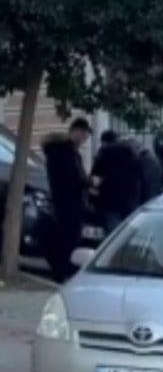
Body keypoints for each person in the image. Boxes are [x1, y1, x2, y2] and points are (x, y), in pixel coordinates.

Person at [42, 118, 92, 282]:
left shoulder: (57, 152)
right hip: (70, 204)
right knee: (68, 240)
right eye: (83, 136)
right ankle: (61, 271)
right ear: (76, 131)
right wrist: (90, 182)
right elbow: (72, 179)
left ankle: (59, 270)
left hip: (62, 203)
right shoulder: (67, 153)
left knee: (63, 238)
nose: (83, 141)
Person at [90, 131, 143, 232]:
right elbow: (140, 177)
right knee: (126, 233)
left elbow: (95, 178)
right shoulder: (131, 154)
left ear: (104, 142)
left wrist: (92, 200)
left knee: (113, 233)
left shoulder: (104, 154)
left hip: (110, 202)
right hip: (129, 201)